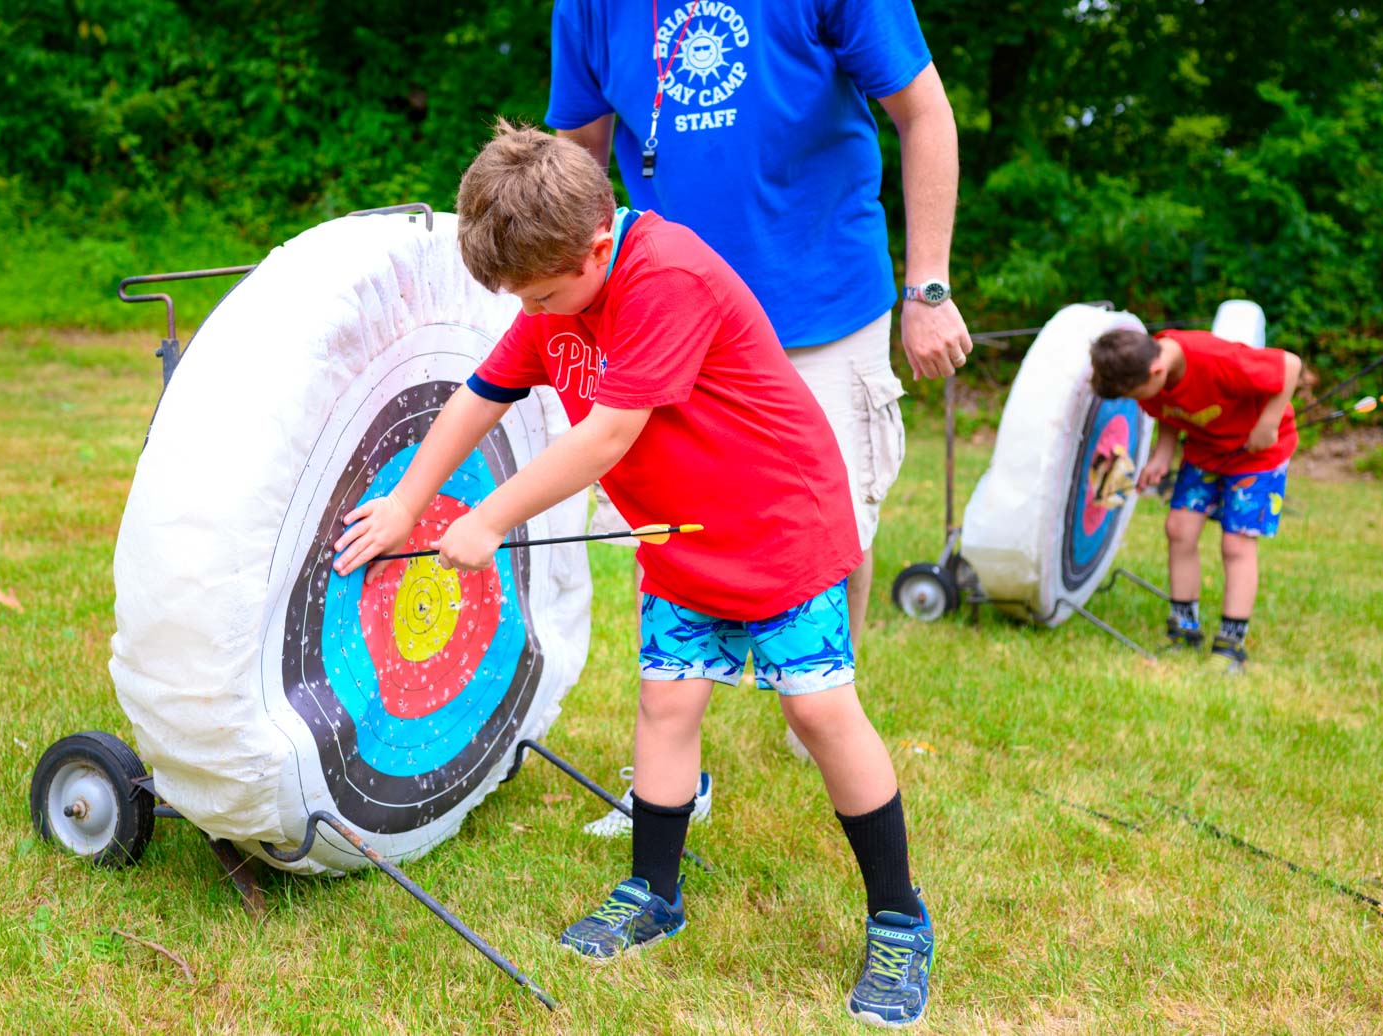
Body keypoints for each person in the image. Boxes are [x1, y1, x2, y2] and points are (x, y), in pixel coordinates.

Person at [331, 125, 934, 1027]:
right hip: (682, 537)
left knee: (817, 709)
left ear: (595, 246)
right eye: (521, 299)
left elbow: (607, 436)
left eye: (540, 294)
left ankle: (898, 917)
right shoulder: (555, 300)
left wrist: (491, 521)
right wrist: (411, 503)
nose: (533, 313)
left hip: (780, 528)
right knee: (666, 704)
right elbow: (480, 396)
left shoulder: (666, 275)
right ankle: (654, 891)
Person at [546, 0, 974, 649]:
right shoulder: (589, 7)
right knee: (673, 524)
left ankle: (825, 709)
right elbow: (575, 158)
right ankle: (673, 731)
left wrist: (930, 288)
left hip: (821, 301)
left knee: (834, 527)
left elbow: (925, 114)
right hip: (670, 313)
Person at [1089, 327, 1301, 672]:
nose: (1136, 402)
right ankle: (1184, 630)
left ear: (1155, 372)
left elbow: (1289, 365)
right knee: (1179, 529)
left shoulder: (1216, 361)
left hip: (1259, 454)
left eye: (1134, 395)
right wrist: (1162, 455)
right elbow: (1168, 409)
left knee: (1237, 544)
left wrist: (1269, 422)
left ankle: (1230, 647)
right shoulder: (1148, 363)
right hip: (1205, 451)